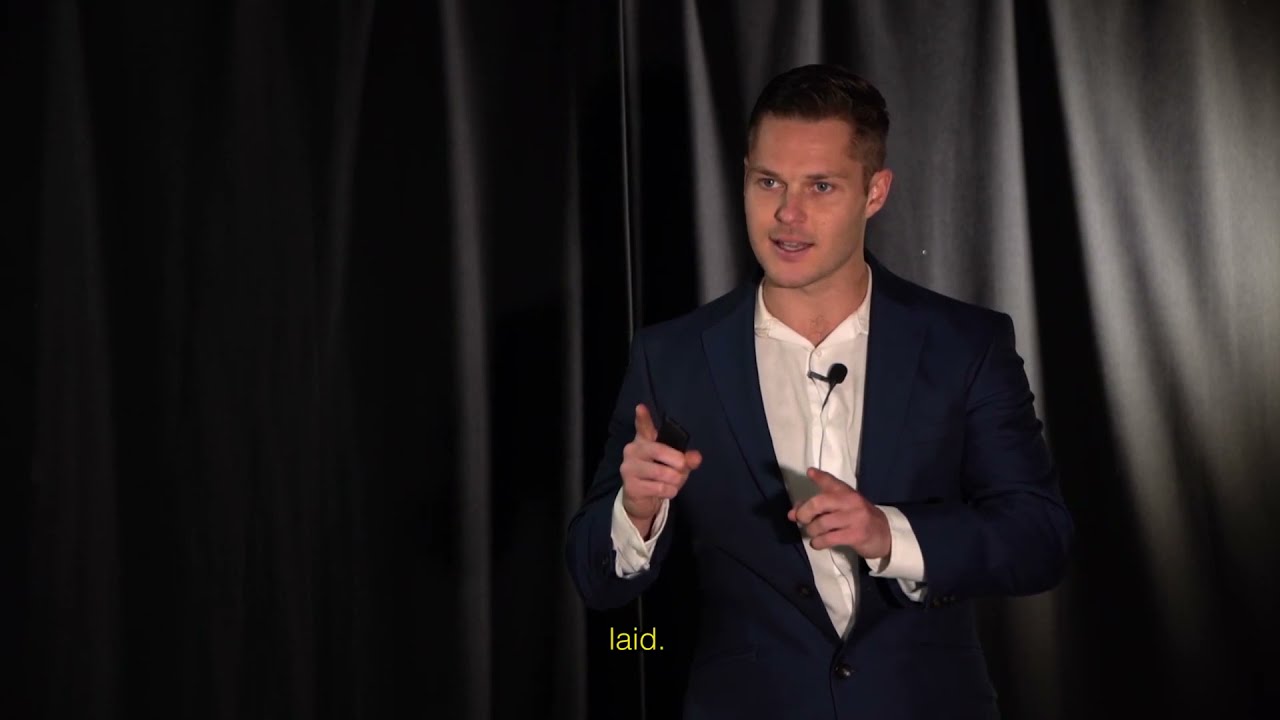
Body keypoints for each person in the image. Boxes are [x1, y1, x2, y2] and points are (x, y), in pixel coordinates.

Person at [564, 63, 1073, 719]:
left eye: (821, 186)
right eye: (768, 181)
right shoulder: (671, 358)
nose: (787, 213)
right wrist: (635, 510)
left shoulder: (965, 344)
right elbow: (596, 580)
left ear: (874, 192)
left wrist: (887, 534)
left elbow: (1039, 540)